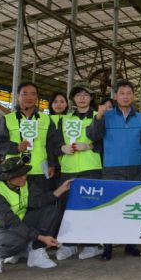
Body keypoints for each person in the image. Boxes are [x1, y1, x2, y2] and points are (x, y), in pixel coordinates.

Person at [0, 157, 72, 274]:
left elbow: (39, 201)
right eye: (19, 176)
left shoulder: (22, 184)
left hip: (17, 222)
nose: (24, 177)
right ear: (8, 178)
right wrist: (41, 237)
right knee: (18, 240)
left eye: (24, 174)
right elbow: (11, 223)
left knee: (51, 212)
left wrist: (61, 189)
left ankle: (36, 253)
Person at [47, 84, 104, 261]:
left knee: (90, 206)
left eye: (86, 95)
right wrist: (61, 148)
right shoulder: (64, 119)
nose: (82, 98)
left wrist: (90, 146)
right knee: (68, 206)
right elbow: (52, 143)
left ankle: (91, 244)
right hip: (68, 168)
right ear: (73, 99)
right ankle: (69, 244)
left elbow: (105, 141)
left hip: (91, 168)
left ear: (91, 98)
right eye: (78, 95)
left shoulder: (98, 116)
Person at [92, 80, 141, 261]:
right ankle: (107, 247)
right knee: (111, 209)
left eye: (129, 93)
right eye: (121, 93)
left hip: (135, 168)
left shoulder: (140, 118)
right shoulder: (106, 116)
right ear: (115, 96)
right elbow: (93, 135)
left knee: (132, 209)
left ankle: (131, 245)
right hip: (112, 168)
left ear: (133, 96)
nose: (125, 96)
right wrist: (98, 116)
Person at [0, 82, 54, 200]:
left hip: (40, 171)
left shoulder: (47, 119)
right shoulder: (7, 119)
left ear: (37, 97)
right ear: (18, 96)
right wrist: (16, 147)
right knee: (16, 203)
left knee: (40, 204)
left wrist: (51, 164)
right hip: (14, 172)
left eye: (33, 94)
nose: (29, 97)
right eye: (25, 94)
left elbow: (52, 144)